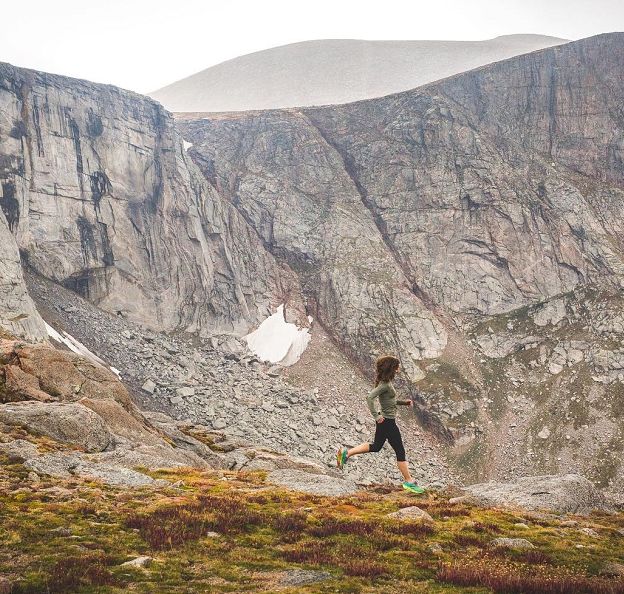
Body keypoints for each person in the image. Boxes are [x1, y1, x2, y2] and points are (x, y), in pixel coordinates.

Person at [336, 355, 425, 494]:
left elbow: (389, 401)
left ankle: (347, 453)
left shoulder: (386, 383)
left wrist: (403, 402)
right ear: (392, 368)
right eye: (397, 367)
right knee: (400, 451)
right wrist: (376, 417)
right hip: (387, 422)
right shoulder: (385, 385)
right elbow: (369, 397)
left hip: (386, 421)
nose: (398, 369)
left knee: (376, 446)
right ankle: (409, 481)